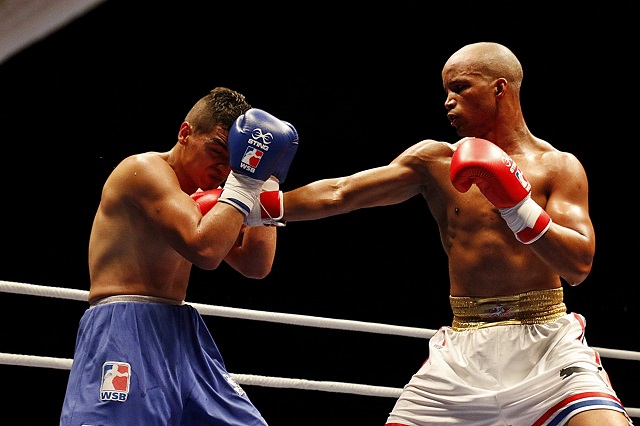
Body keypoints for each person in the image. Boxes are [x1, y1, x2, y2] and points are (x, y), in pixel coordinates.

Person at [280, 43, 633, 425]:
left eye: (460, 88)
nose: (448, 102)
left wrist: (518, 207)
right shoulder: (434, 162)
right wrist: (259, 206)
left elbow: (579, 265)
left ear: (500, 89)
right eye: (445, 91)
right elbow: (341, 192)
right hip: (462, 352)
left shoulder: (558, 167)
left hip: (546, 344)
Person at [60, 87, 299, 426]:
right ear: (185, 132)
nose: (223, 166)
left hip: (180, 330)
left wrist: (266, 179)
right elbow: (205, 251)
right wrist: (246, 183)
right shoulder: (142, 171)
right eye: (217, 148)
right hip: (125, 326)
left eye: (233, 158)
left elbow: (255, 264)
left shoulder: (207, 199)